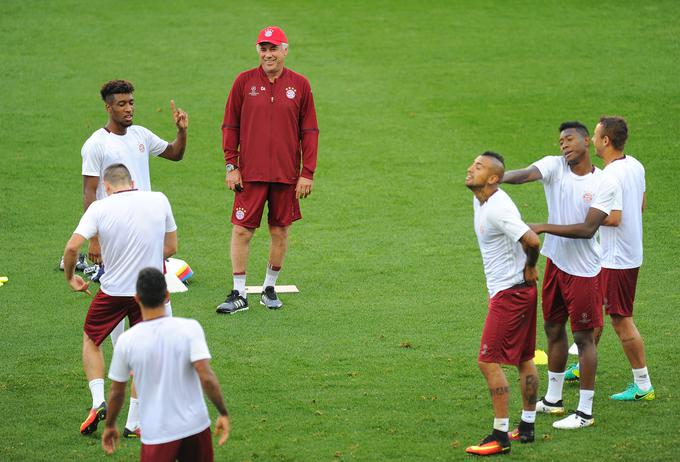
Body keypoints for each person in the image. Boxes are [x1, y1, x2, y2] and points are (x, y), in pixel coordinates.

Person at [79, 79, 188, 430]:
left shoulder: (140, 134)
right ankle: (127, 413)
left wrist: (181, 131)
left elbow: (174, 153)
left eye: (131, 102)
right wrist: (93, 239)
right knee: (130, 336)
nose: (129, 108)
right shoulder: (95, 145)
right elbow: (88, 191)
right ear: (108, 107)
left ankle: (131, 418)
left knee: (138, 335)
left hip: (145, 234)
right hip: (114, 237)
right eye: (123, 104)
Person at [502, 121, 618, 429]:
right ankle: (553, 400)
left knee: (583, 339)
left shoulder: (604, 182)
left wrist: (542, 227)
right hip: (555, 264)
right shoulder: (555, 167)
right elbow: (526, 174)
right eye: (560, 141)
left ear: (585, 141)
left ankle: (585, 412)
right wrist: (496, 177)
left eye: (568, 139)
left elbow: (587, 229)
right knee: (553, 329)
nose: (563, 145)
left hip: (584, 272)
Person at [533, 117, 654, 401]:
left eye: (597, 135)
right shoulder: (634, 165)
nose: (594, 140)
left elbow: (613, 217)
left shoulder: (608, 177)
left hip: (615, 257)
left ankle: (643, 384)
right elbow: (642, 205)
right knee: (593, 315)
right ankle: (582, 364)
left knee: (621, 320)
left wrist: (584, 215)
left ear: (605, 141)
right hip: (628, 252)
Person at [63, 164, 177, 437]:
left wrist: (71, 278)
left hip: (113, 292)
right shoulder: (158, 199)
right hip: (148, 293)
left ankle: (97, 400)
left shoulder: (99, 208)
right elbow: (171, 247)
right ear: (133, 181)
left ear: (107, 186)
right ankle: (134, 422)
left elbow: (71, 247)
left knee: (92, 339)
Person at [217, 25, 319, 314]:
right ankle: (238, 294)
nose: (268, 54)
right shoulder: (243, 82)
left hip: (286, 176)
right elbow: (230, 125)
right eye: (264, 48)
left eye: (274, 48)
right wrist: (231, 165)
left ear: (285, 50)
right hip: (249, 174)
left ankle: (269, 288)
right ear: (258, 50)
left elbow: (309, 131)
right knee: (241, 232)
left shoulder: (300, 85)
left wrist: (307, 172)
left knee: (280, 231)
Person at [102, 268, 230, 461]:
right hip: (195, 426)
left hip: (157, 432)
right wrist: (223, 412)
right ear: (167, 295)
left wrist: (110, 425)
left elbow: (117, 392)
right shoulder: (190, 328)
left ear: (137, 299)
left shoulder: (127, 341)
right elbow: (207, 378)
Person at [463, 152, 541, 456]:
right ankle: (528, 426)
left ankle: (500, 435)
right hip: (511, 291)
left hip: (512, 293)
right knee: (523, 358)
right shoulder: (480, 199)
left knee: (487, 360)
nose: (470, 169)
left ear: (493, 179)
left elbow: (532, 240)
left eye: (478, 167)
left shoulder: (497, 208)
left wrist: (531, 266)